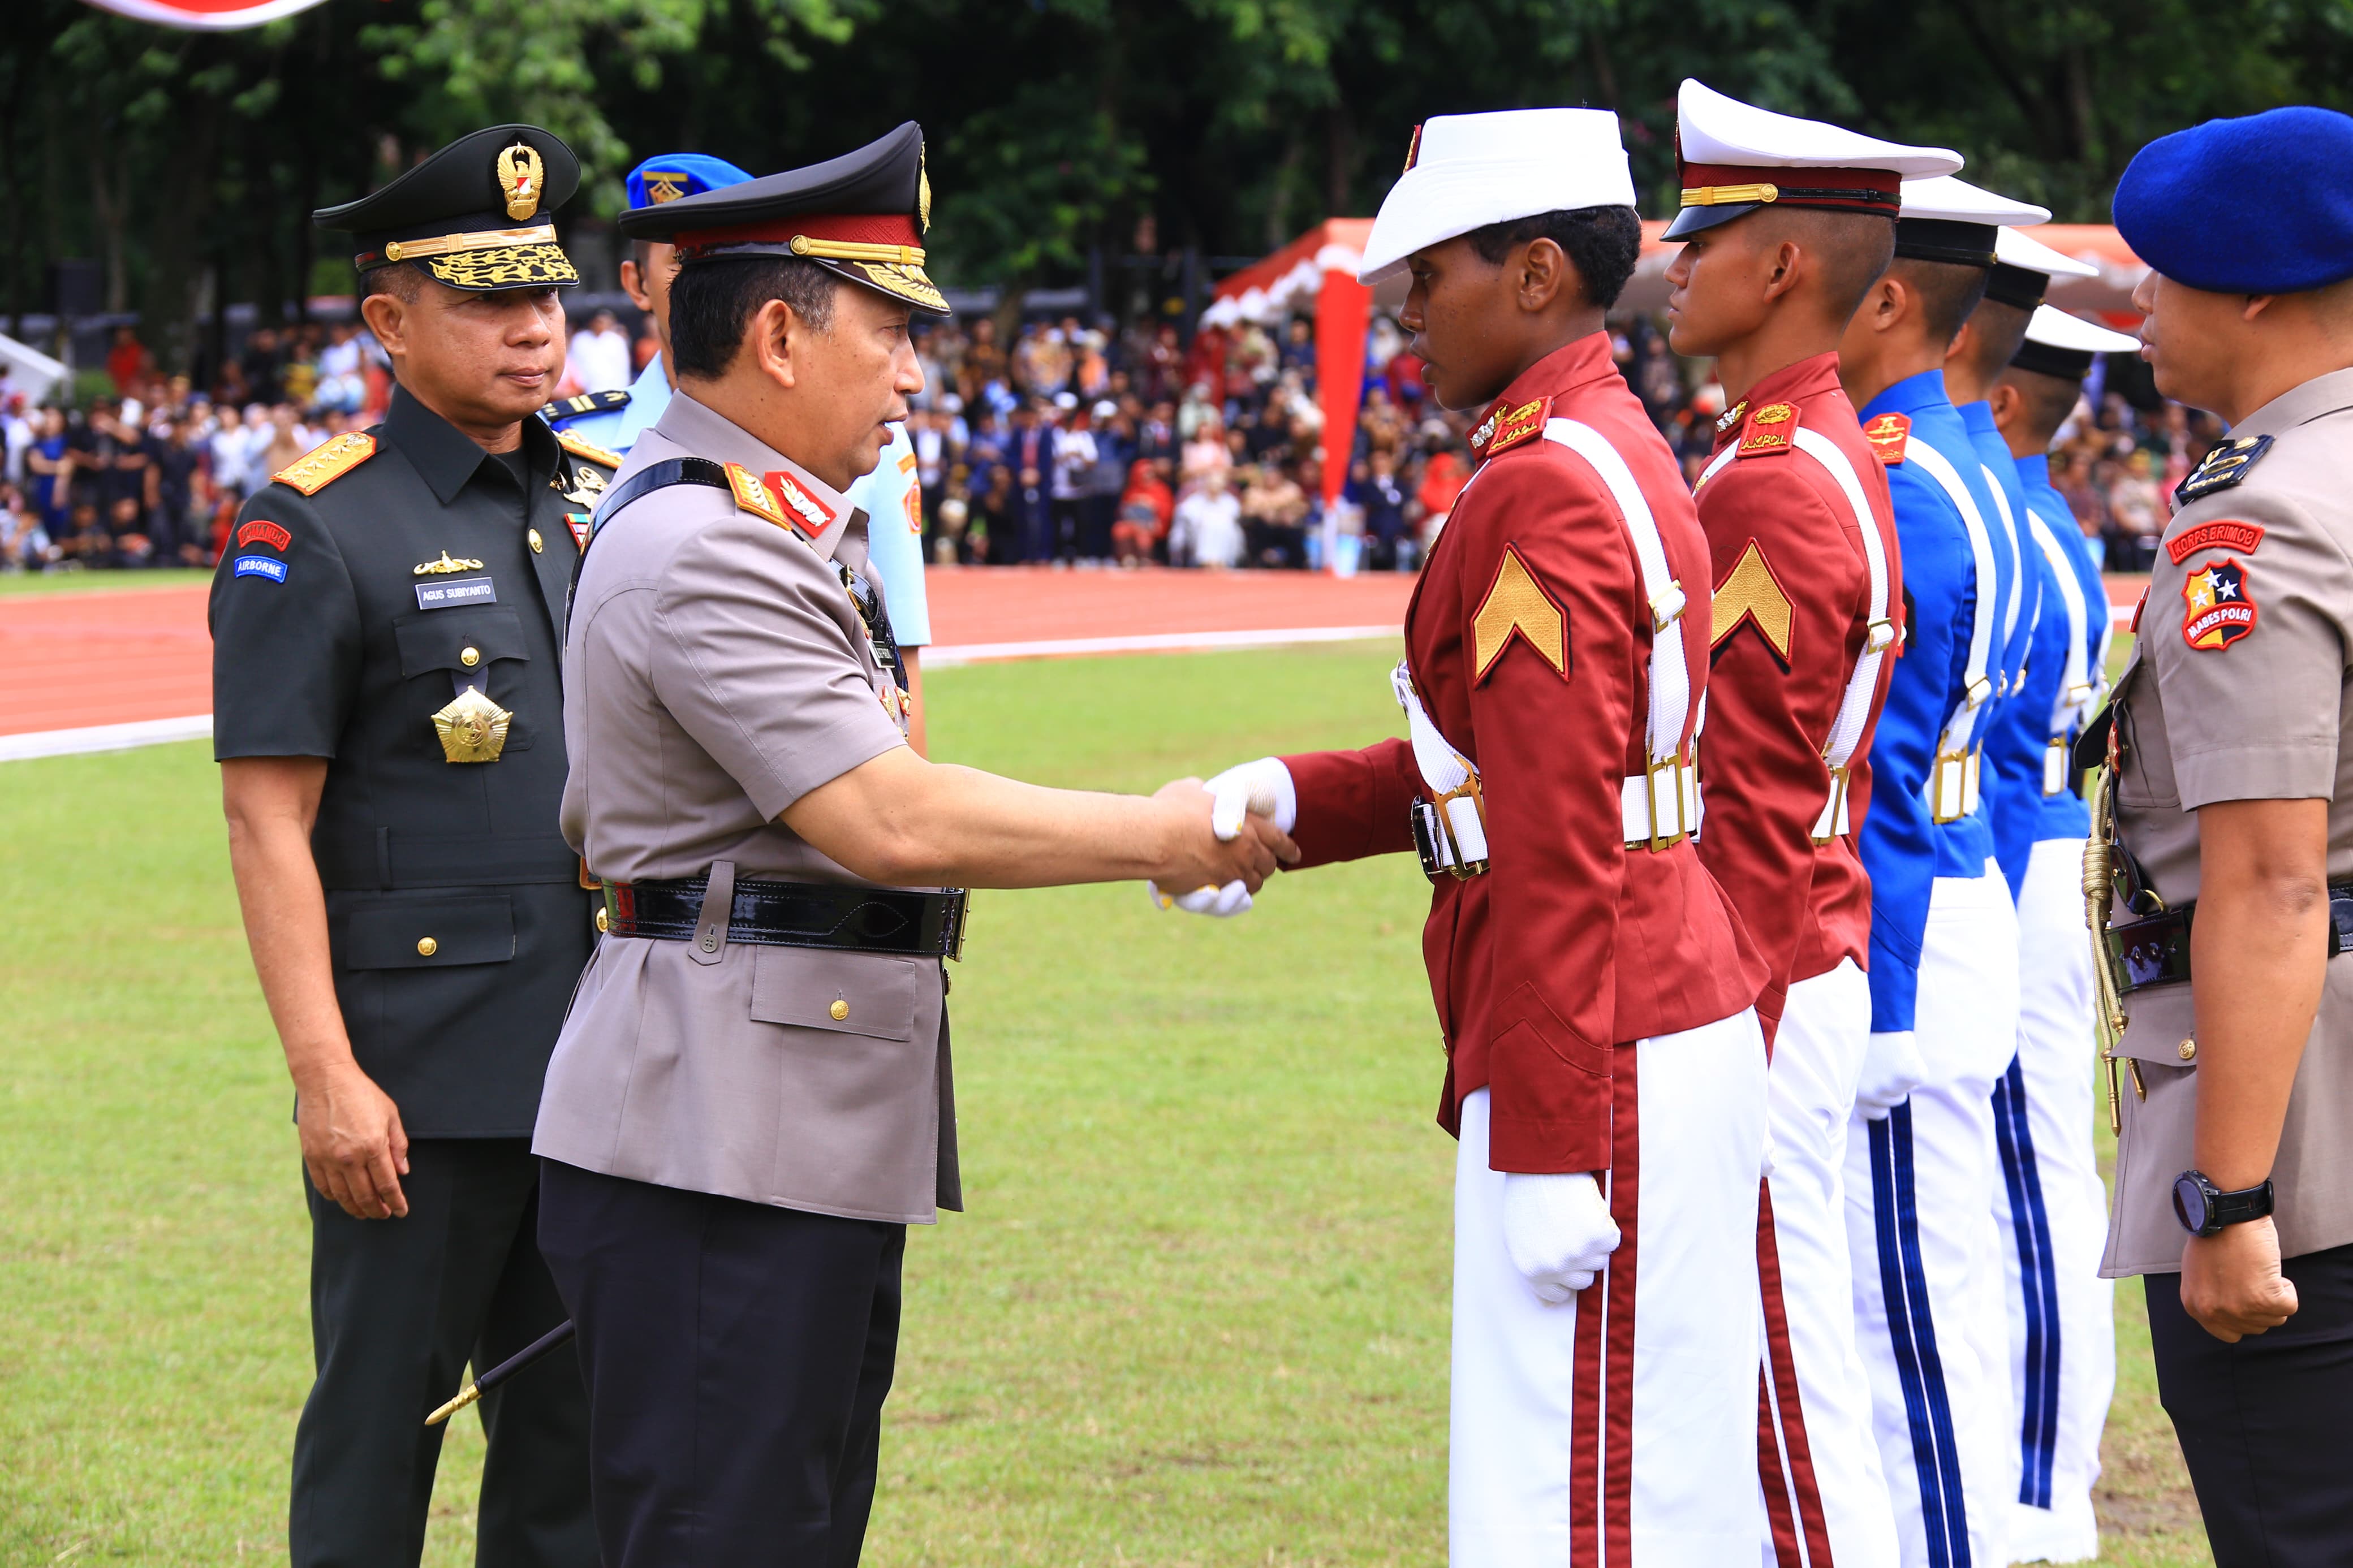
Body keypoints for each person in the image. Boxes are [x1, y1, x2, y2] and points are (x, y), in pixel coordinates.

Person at [532, 122, 1295, 1568]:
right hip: (718, 1142)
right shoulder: (707, 544)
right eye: (888, 330)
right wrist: (1164, 830)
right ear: (775, 334)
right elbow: (887, 814)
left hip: (766, 1122)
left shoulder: (763, 527)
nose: (911, 369)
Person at [1166, 107, 1770, 1564]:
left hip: (1592, 1023)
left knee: (1581, 1492)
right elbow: (1518, 766)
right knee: (1633, 1468)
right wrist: (1296, 798)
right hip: (1638, 994)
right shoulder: (1595, 447)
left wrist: (1554, 1133)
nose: (1404, 311)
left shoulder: (1540, 485)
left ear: (1541, 275)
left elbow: (1560, 831)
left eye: (1430, 273)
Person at [209, 124, 611, 1568]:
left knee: (577, 1452)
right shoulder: (315, 527)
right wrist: (326, 1075)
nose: (533, 330)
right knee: (381, 1440)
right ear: (388, 321)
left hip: (600, 1066)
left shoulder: (591, 500)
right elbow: (268, 815)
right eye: (488, 302)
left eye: (547, 296)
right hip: (416, 1086)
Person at [1660, 78, 1952, 1568]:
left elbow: (1750, 794)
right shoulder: (1819, 446)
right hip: (1806, 945)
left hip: (1769, 958)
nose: (1669, 258)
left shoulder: (1771, 482)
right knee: (1788, 1349)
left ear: (1780, 266)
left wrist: (1726, 996)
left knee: (1778, 1375)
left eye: (1703, 233)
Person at [2090, 105, 2353, 1566]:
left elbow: (2265, 879)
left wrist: (2232, 1192)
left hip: (2307, 1131)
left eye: (2162, 268)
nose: (2138, 299)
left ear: (2252, 289)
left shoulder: (2252, 524)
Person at [1836, 170, 2042, 1568]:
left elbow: (1887, 766)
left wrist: (1884, 1009)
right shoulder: (1962, 460)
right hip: (1955, 882)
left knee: (1899, 1316)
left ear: (1895, 300)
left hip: (1908, 907)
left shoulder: (1903, 477)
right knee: (1933, 1292)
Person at [1985, 301, 2142, 1562]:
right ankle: (2030, 1468)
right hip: (2022, 845)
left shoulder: (2011, 517)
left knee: (2034, 1186)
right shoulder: (2029, 511)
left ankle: (2043, 1484)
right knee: (2028, 1178)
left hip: (2014, 850)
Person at [542, 154, 755, 456]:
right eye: (683, 260)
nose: (711, 286)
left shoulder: (829, 446)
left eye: (730, 260)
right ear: (638, 285)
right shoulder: (561, 444)